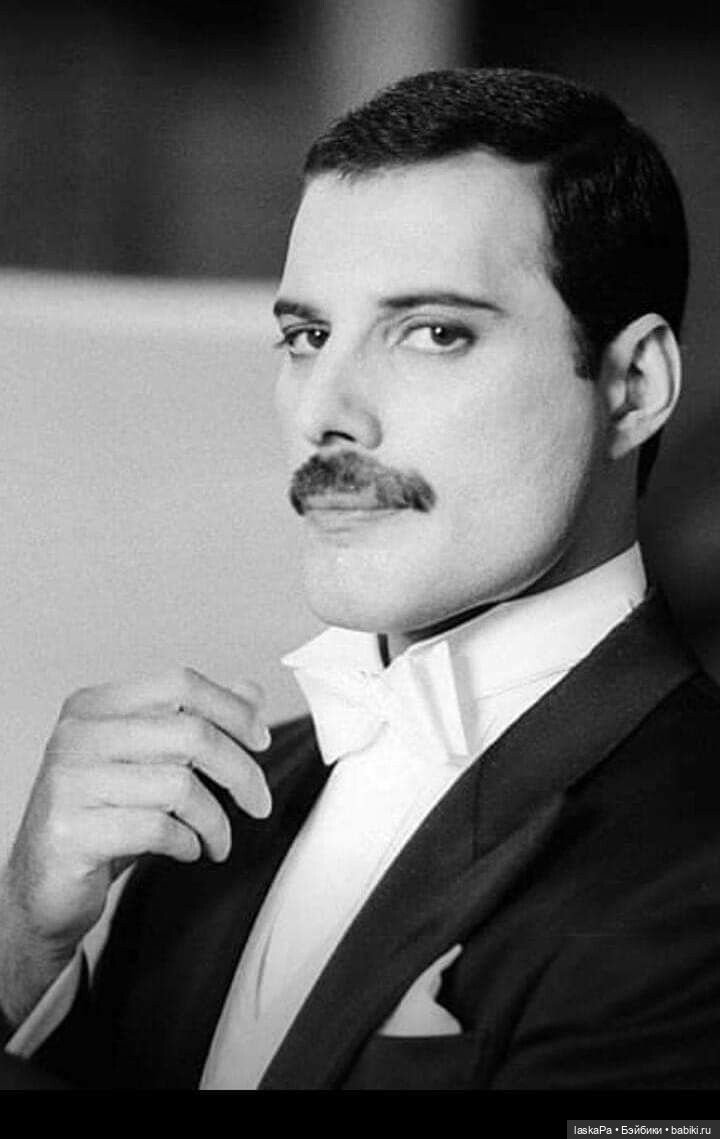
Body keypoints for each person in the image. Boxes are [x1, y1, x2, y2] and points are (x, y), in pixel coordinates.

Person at [1, 65, 719, 1091]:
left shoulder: (695, 862)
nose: (324, 411)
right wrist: (21, 947)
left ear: (634, 385)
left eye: (433, 332)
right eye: (307, 336)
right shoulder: (214, 811)